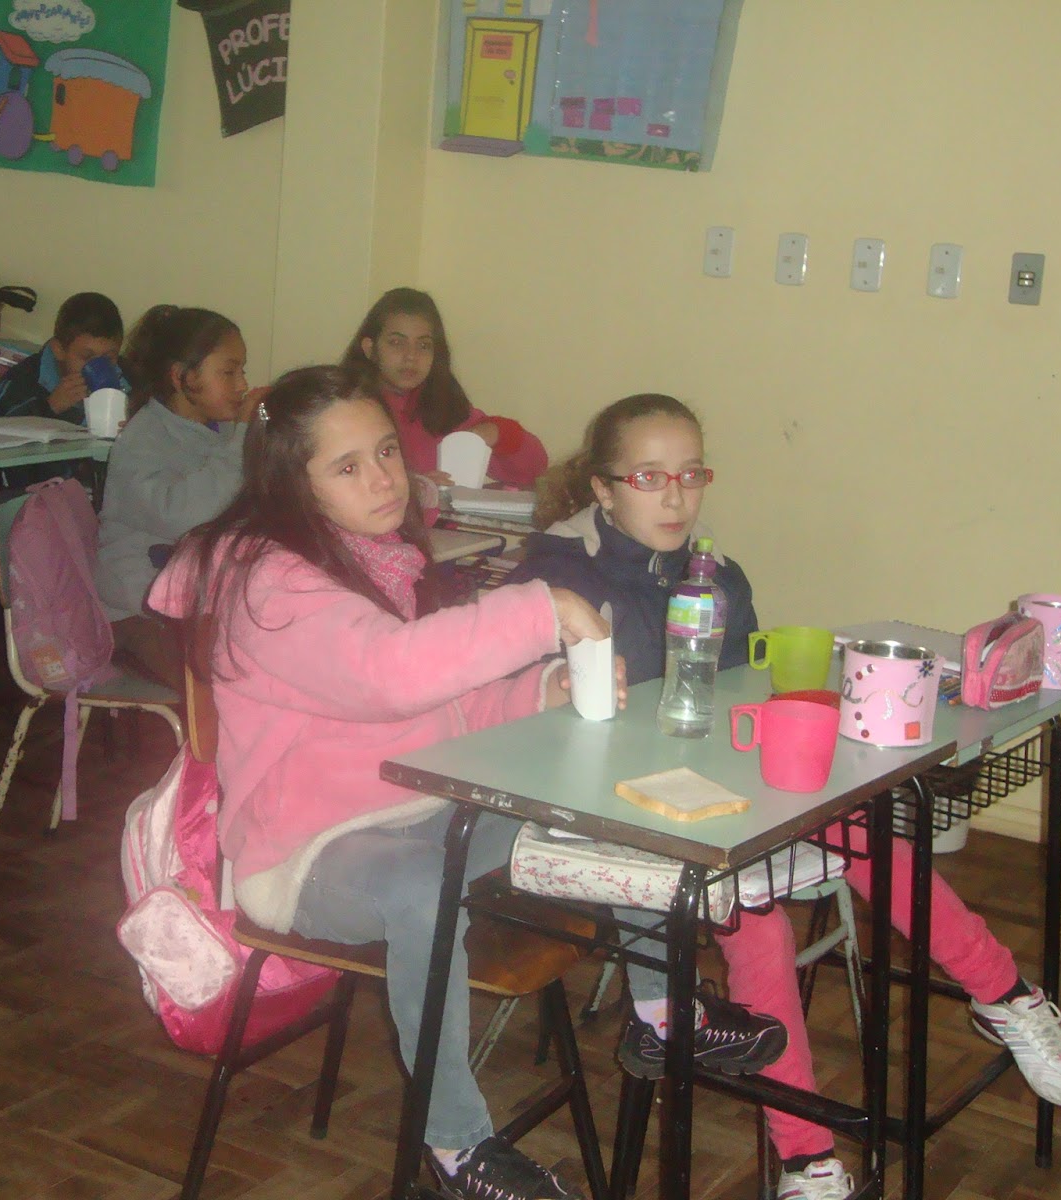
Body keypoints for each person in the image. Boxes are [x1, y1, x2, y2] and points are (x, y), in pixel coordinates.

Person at [145, 366, 784, 1200]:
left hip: (422, 802)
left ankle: (664, 1017)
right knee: (422, 884)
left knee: (602, 802)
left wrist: (540, 689)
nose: (383, 479)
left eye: (386, 452)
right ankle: (456, 1147)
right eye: (348, 467)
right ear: (290, 483)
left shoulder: (370, 555)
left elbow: (441, 705)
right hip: (306, 851)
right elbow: (389, 675)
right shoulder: (267, 582)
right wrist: (541, 609)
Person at [511, 393, 1061, 1200]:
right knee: (758, 922)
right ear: (603, 488)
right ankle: (805, 1156)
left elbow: (737, 696)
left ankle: (1005, 995)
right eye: (649, 477)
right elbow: (536, 725)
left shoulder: (717, 575)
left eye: (691, 474)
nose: (676, 497)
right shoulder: (556, 575)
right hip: (604, 813)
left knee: (863, 826)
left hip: (706, 789)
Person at [94, 305, 251, 689]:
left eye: (242, 371)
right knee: (224, 683)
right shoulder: (143, 439)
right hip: (140, 605)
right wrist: (245, 440)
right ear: (183, 377)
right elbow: (190, 516)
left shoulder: (219, 431)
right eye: (229, 372)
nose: (242, 385)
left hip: (196, 591)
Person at [341, 288, 548, 487]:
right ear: (370, 349)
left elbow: (535, 469)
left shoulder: (445, 409)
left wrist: (495, 433)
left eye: (424, 345)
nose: (411, 356)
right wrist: (416, 490)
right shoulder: (343, 410)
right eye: (396, 342)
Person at [0, 291, 126, 424]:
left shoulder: (127, 380)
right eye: (87, 356)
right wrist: (49, 407)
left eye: (109, 358)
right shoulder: (25, 379)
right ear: (59, 350)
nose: (100, 365)